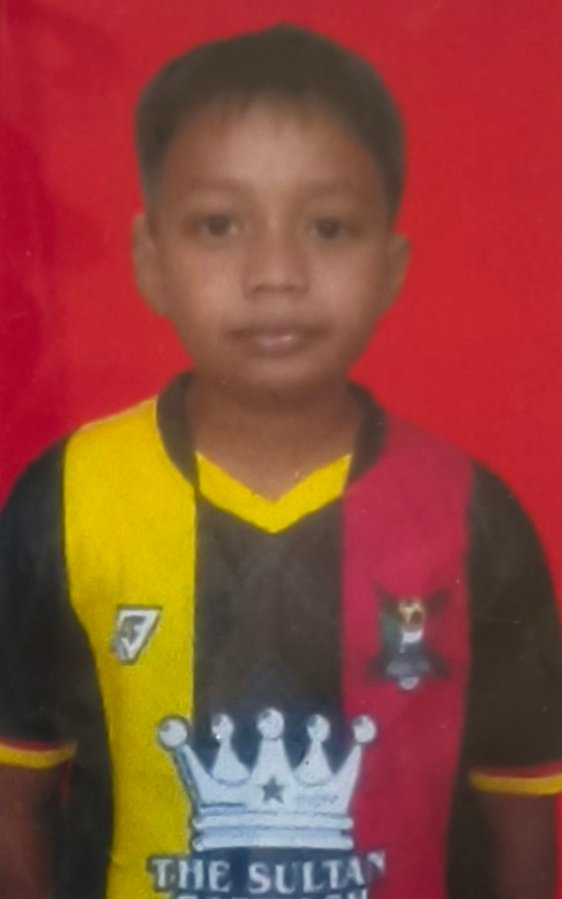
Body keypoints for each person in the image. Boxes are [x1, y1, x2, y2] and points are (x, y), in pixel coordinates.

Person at [0, 23, 561, 899]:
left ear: (391, 265)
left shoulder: (469, 514)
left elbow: (521, 806)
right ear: (152, 261)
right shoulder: (66, 498)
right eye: (219, 225)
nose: (276, 272)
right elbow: (15, 797)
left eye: (328, 227)